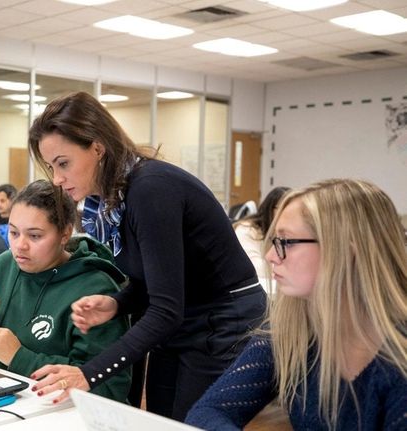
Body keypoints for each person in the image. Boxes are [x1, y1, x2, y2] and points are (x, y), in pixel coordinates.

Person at [27, 92, 266, 420]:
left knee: (192, 422)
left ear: (98, 148)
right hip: (184, 317)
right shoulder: (112, 202)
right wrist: (117, 303)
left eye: (63, 163)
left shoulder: (150, 190)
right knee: (158, 419)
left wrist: (88, 374)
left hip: (223, 320)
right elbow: (155, 281)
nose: (56, 178)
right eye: (51, 166)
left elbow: (167, 308)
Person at [186, 179, 407, 430]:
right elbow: (209, 411)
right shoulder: (290, 332)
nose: (270, 256)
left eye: (286, 242)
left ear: (346, 253)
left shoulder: (398, 362)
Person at [0, 180, 131, 402]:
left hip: (59, 414)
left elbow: (110, 389)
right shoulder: (2, 265)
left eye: (35, 236)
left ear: (65, 234)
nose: (20, 246)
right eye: (14, 233)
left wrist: (18, 358)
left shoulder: (95, 289)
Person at [233, 186, 290, 278]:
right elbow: (253, 267)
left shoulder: (290, 232)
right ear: (270, 209)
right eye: (284, 208)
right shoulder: (247, 229)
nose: (290, 214)